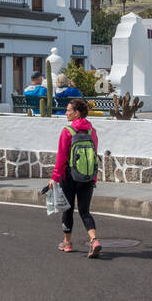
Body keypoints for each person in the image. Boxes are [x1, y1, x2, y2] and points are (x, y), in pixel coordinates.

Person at [49, 98, 101, 257]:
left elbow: (62, 157)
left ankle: (67, 242)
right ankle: (94, 240)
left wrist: (55, 178)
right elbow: (93, 155)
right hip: (87, 177)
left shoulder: (68, 131)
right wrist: (94, 178)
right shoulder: (92, 131)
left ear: (77, 113)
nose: (66, 113)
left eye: (68, 110)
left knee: (68, 209)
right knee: (85, 212)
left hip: (69, 177)